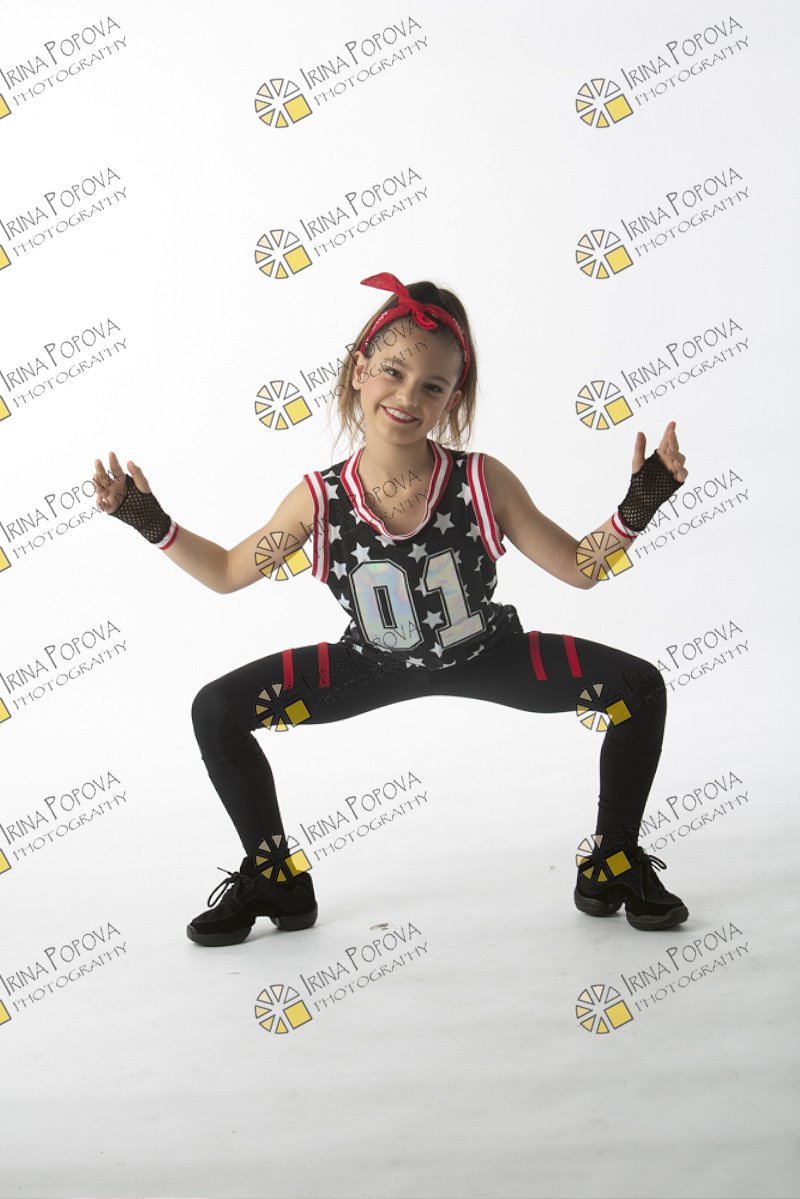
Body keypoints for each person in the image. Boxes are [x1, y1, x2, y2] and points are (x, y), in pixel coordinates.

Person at [92, 270, 691, 947]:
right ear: (358, 371)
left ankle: (612, 863)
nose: (408, 396)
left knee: (639, 688)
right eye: (393, 372)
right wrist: (149, 519)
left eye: (432, 386)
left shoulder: (480, 479)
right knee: (217, 710)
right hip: (368, 664)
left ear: (452, 400)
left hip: (489, 655)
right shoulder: (319, 499)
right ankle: (274, 876)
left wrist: (642, 502)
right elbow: (229, 572)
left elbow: (580, 569)